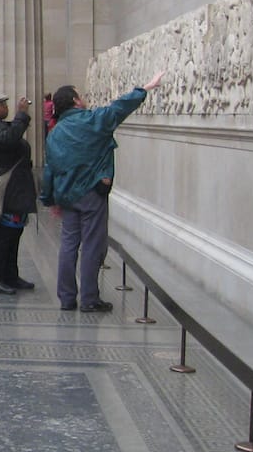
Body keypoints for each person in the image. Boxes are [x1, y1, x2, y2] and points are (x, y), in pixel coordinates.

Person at [41, 72, 164, 313]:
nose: (84, 98)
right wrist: (145, 88)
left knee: (67, 245)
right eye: (81, 94)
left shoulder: (55, 132)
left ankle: (66, 298)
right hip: (90, 193)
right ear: (76, 101)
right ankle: (89, 298)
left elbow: (50, 169)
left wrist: (49, 198)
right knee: (92, 246)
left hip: (67, 195)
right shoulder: (93, 120)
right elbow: (120, 108)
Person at [0, 92, 37, 296]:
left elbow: (13, 133)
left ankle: (10, 274)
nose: (5, 107)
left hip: (15, 189)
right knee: (2, 235)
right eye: (1, 104)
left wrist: (19, 119)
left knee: (14, 234)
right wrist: (22, 115)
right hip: (6, 190)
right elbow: (11, 139)